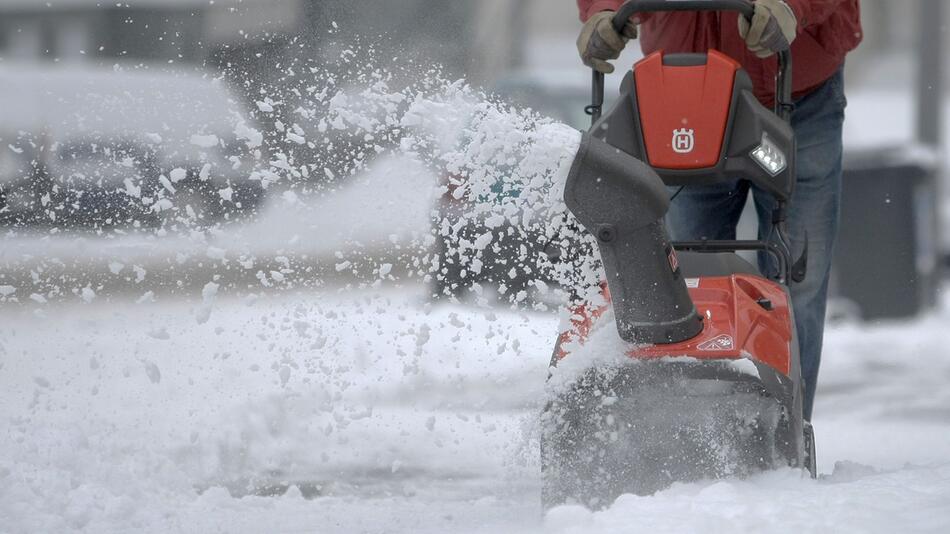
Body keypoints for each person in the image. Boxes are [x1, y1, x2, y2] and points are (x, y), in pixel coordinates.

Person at [575, 0, 862, 421]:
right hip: (684, 93)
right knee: (683, 277)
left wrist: (792, 7)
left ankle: (788, 427)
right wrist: (605, 10)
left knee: (799, 278)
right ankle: (689, 428)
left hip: (800, 91)